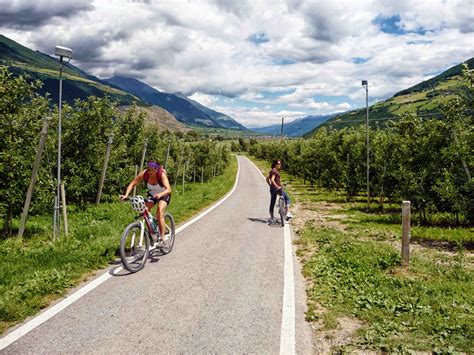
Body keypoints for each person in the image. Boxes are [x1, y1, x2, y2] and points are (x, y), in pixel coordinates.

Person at [120, 160, 172, 241]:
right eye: (148, 169)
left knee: (159, 212)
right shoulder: (144, 174)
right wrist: (126, 195)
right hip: (152, 195)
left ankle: (162, 238)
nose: (149, 172)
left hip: (164, 194)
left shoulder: (161, 174)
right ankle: (152, 233)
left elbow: (169, 189)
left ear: (157, 170)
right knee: (145, 211)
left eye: (152, 170)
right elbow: (133, 183)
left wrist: (160, 194)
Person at [266, 159, 293, 224]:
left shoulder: (272, 170)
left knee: (272, 203)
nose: (280, 165)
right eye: (278, 164)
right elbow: (272, 180)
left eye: (280, 164)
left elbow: (267, 179)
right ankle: (288, 213)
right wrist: (277, 186)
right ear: (275, 164)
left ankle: (272, 218)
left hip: (272, 189)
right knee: (287, 198)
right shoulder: (275, 171)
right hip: (277, 189)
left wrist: (270, 185)